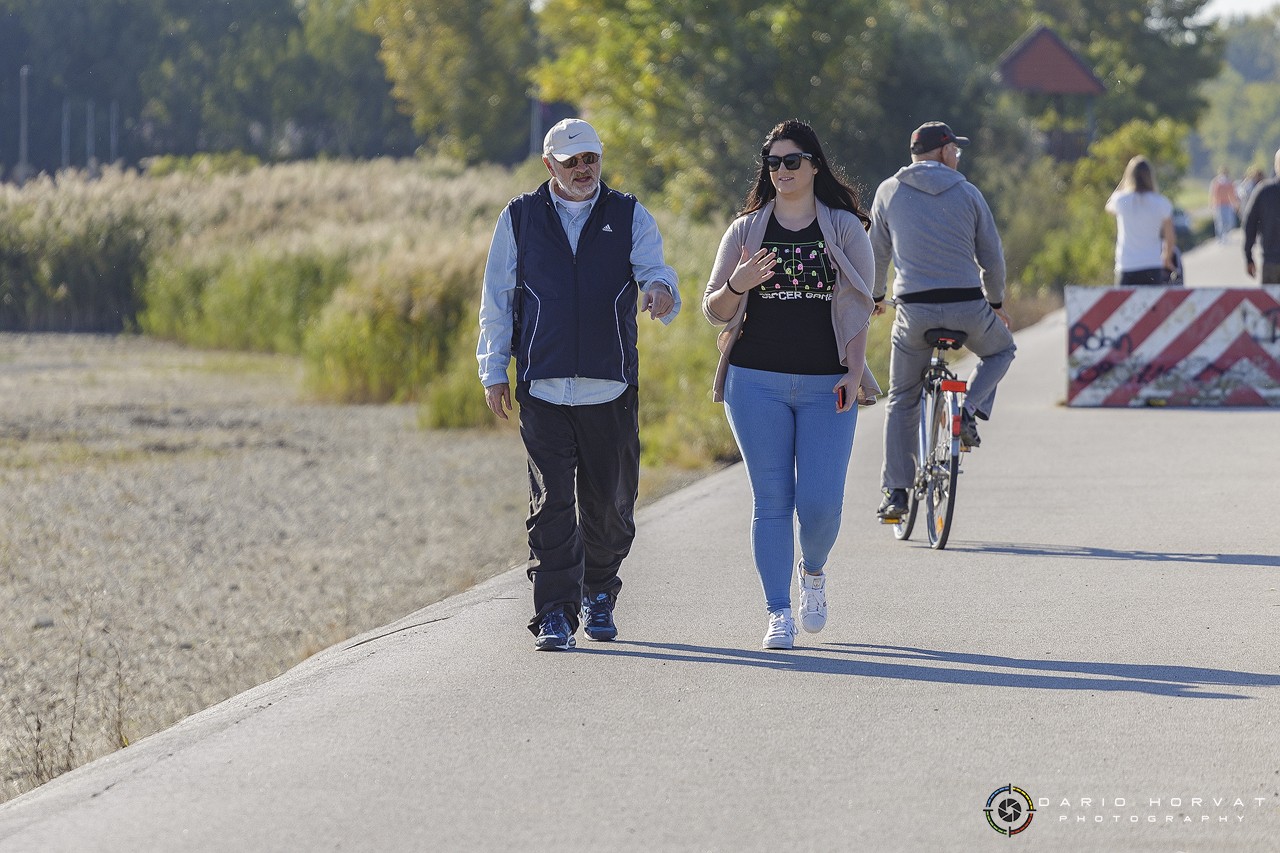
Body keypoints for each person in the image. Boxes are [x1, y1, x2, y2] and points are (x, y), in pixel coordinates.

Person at [477, 118, 681, 651]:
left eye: (590, 158)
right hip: (542, 387)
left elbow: (656, 270)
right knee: (551, 505)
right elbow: (497, 298)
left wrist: (660, 291)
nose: (583, 169)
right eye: (571, 162)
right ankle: (554, 613)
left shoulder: (628, 213)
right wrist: (493, 370)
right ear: (550, 165)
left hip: (609, 387)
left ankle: (600, 590)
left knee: (610, 505)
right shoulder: (520, 217)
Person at [702, 119, 880, 650]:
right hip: (755, 382)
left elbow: (859, 307)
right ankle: (778, 611)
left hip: (828, 385)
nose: (781, 170)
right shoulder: (745, 231)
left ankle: (814, 571)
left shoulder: (845, 228)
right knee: (772, 500)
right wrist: (738, 283)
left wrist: (854, 372)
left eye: (792, 161)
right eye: (773, 162)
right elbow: (714, 311)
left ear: (814, 166)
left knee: (820, 505)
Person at [869, 121, 1016, 521]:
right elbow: (992, 258)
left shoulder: (888, 191)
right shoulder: (968, 193)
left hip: (913, 310)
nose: (958, 158)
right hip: (967, 306)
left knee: (903, 397)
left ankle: (896, 494)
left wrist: (876, 297)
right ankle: (967, 410)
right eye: (957, 151)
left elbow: (876, 253)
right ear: (945, 151)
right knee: (1002, 350)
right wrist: (996, 302)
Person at [1104, 155, 1177, 286]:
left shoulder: (1122, 201)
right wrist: (1166, 258)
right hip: (1152, 265)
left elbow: (1108, 206)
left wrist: (1124, 181)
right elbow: (1170, 237)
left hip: (1127, 266)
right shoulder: (1161, 203)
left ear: (1130, 176)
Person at [1242, 148, 1280, 284]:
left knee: (1270, 298)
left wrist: (1248, 257)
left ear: (1276, 166)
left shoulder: (1264, 191)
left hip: (1270, 262)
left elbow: (1249, 223)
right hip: (1270, 260)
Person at [1209, 166, 1239, 243]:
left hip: (1228, 204)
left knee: (1229, 222)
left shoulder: (1230, 182)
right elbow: (1212, 194)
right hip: (1218, 205)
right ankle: (1220, 237)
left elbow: (1233, 194)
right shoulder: (1216, 182)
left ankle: (1225, 235)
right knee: (1220, 222)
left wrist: (1235, 204)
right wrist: (1211, 204)